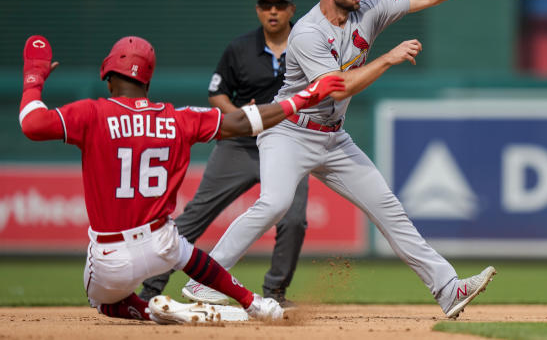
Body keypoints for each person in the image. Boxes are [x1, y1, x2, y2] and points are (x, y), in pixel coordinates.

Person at [183, 0, 516, 319]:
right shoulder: (307, 33)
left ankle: (447, 289)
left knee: (388, 209)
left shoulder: (369, 9)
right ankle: (203, 280)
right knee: (276, 202)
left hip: (333, 137)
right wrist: (387, 59)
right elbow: (337, 89)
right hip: (289, 133)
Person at [18, 35, 344, 324]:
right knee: (186, 252)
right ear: (148, 80)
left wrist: (34, 77)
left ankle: (150, 310)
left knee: (101, 302)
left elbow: (32, 124)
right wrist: (305, 97)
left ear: (107, 77)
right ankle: (255, 303)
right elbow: (244, 123)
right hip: (161, 244)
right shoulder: (176, 118)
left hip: (110, 258)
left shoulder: (91, 113)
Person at [140, 0, 307, 307]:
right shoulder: (240, 48)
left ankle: (275, 292)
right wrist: (240, 119)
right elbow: (217, 93)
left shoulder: (308, 43)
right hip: (241, 145)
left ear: (292, 10)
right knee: (197, 214)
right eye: (266, 5)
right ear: (258, 10)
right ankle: (150, 288)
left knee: (294, 218)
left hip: (290, 145)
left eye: (279, 5)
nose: (272, 11)